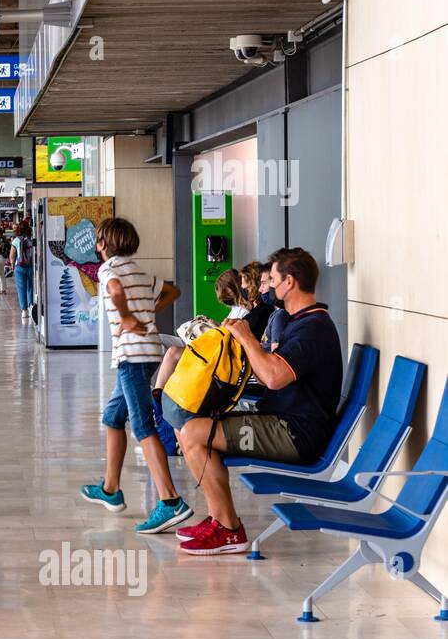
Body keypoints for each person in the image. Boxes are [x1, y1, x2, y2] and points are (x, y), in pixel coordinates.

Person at [167, 247, 343, 555]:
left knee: (194, 433)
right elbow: (266, 376)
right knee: (188, 426)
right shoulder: (295, 321)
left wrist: (247, 339)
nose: (268, 286)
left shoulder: (313, 328)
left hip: (295, 433)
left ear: (290, 282)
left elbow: (273, 377)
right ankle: (221, 521)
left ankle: (229, 530)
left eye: (273, 279)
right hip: (279, 420)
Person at [79, 217, 191, 534]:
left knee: (142, 425)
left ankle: (171, 501)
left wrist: (128, 316)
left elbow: (114, 289)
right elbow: (173, 291)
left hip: (133, 356)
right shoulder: (137, 270)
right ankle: (111, 488)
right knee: (114, 417)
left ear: (103, 243)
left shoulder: (109, 270)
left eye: (99, 240)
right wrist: (147, 312)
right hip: (147, 353)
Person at [10, 218, 35, 321]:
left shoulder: (16, 240)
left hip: (19, 267)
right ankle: (30, 307)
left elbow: (12, 256)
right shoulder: (32, 238)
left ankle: (24, 311)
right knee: (30, 287)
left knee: (21, 289)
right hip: (31, 266)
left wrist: (12, 266)